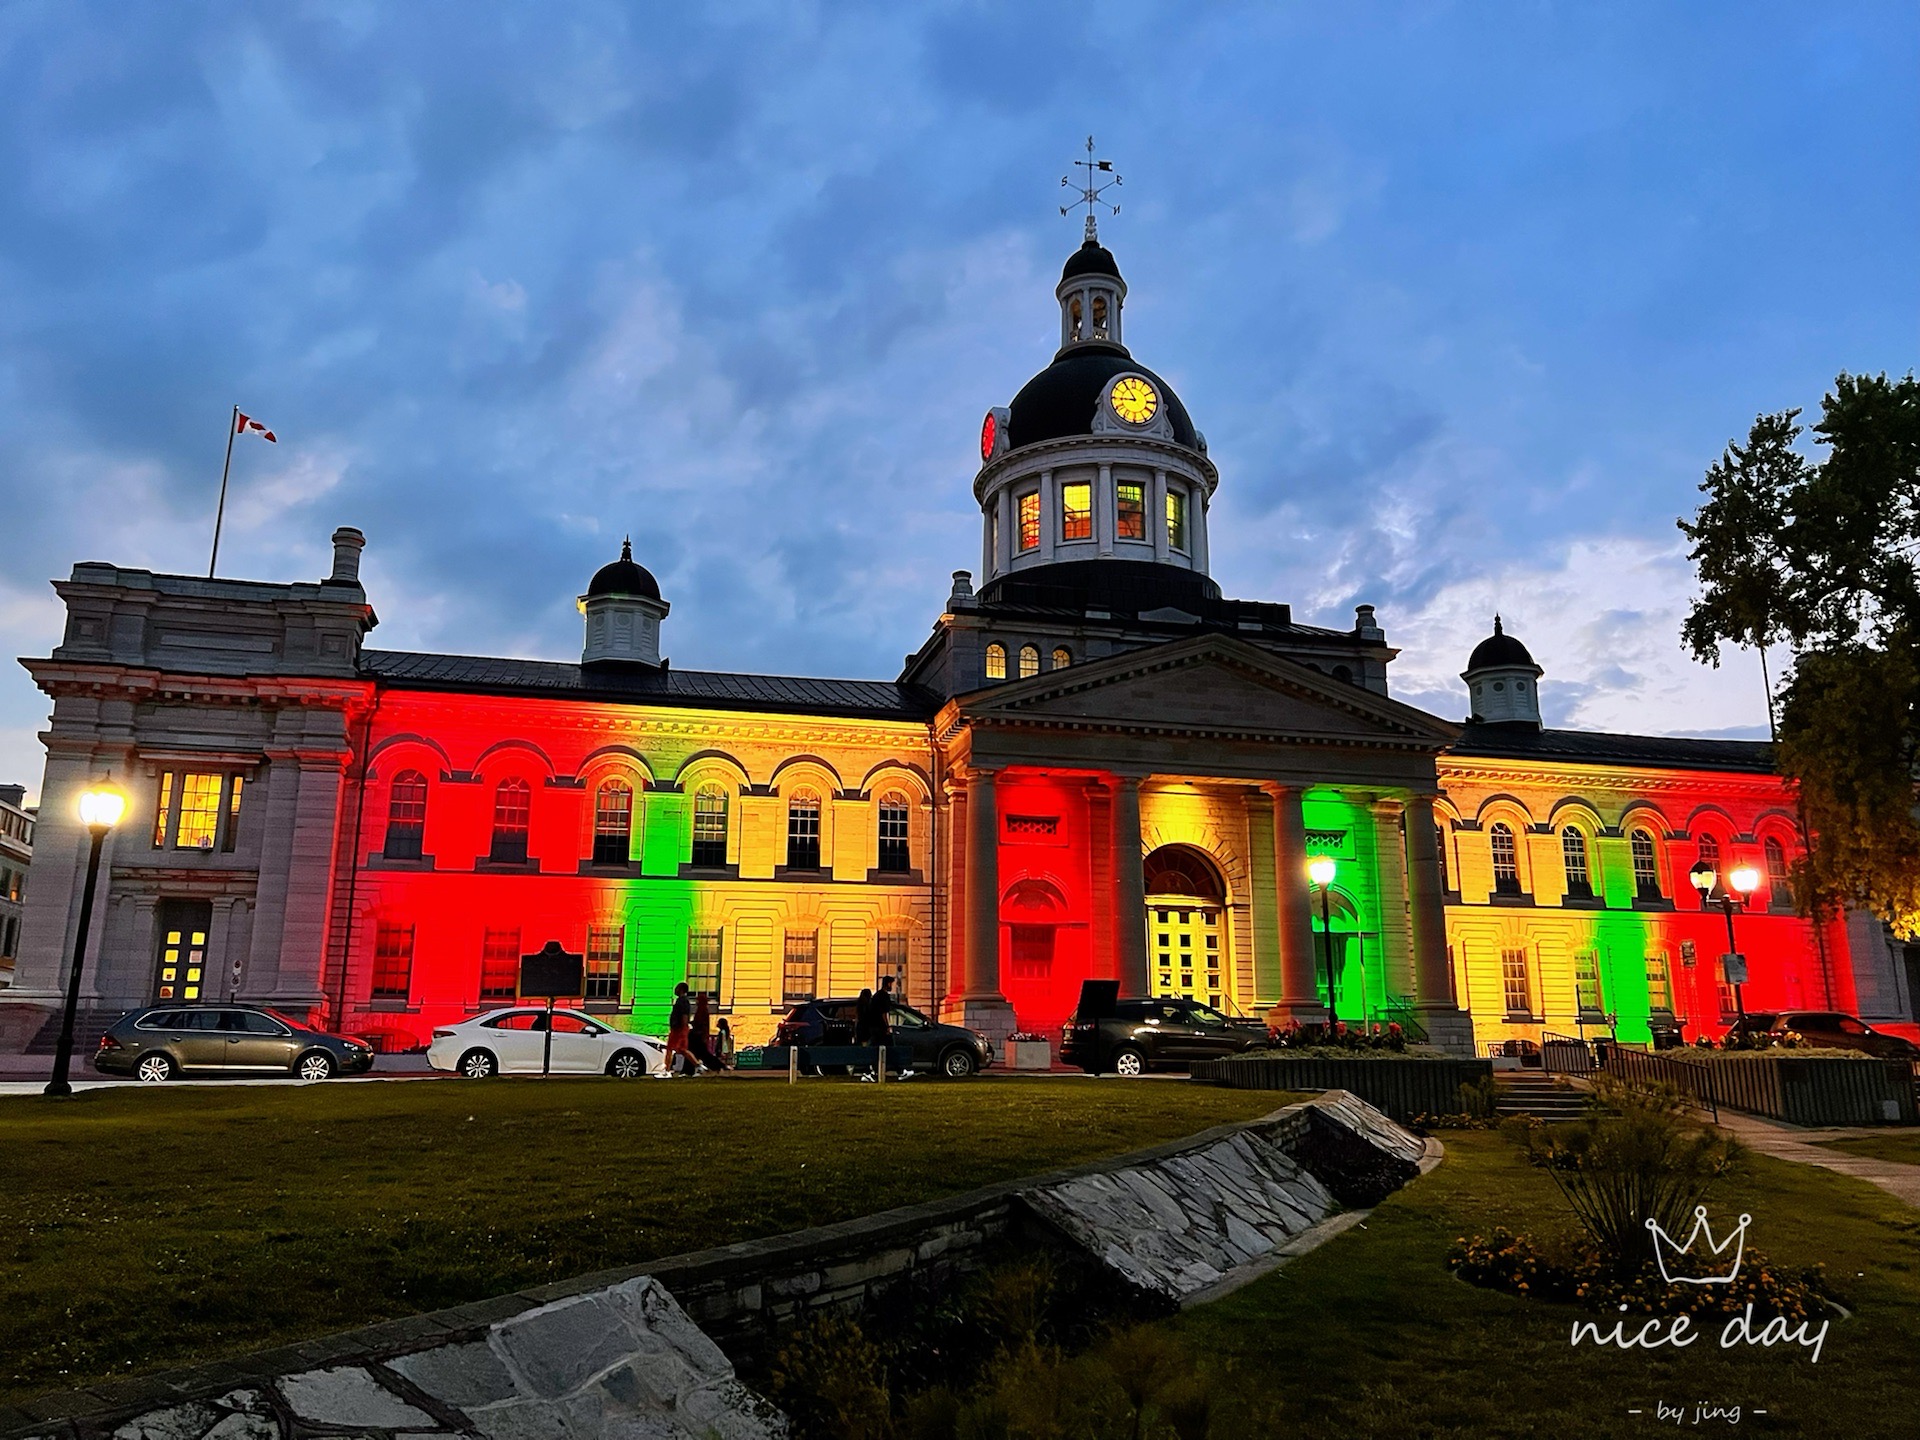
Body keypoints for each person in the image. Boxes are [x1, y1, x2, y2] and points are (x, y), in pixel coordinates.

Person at [664, 982, 696, 1076]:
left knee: (671, 1049)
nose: (675, 990)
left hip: (678, 1029)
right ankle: (698, 1066)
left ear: (681, 989)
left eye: (677, 988)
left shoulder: (682, 1001)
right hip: (679, 1028)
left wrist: (682, 1028)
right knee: (682, 1050)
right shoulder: (682, 1000)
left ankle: (666, 1071)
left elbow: (684, 1015)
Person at [690, 991, 715, 1071]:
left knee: (700, 1053)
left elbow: (701, 1023)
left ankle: (704, 1067)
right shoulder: (703, 1010)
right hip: (701, 1035)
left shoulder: (702, 1010)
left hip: (699, 1035)